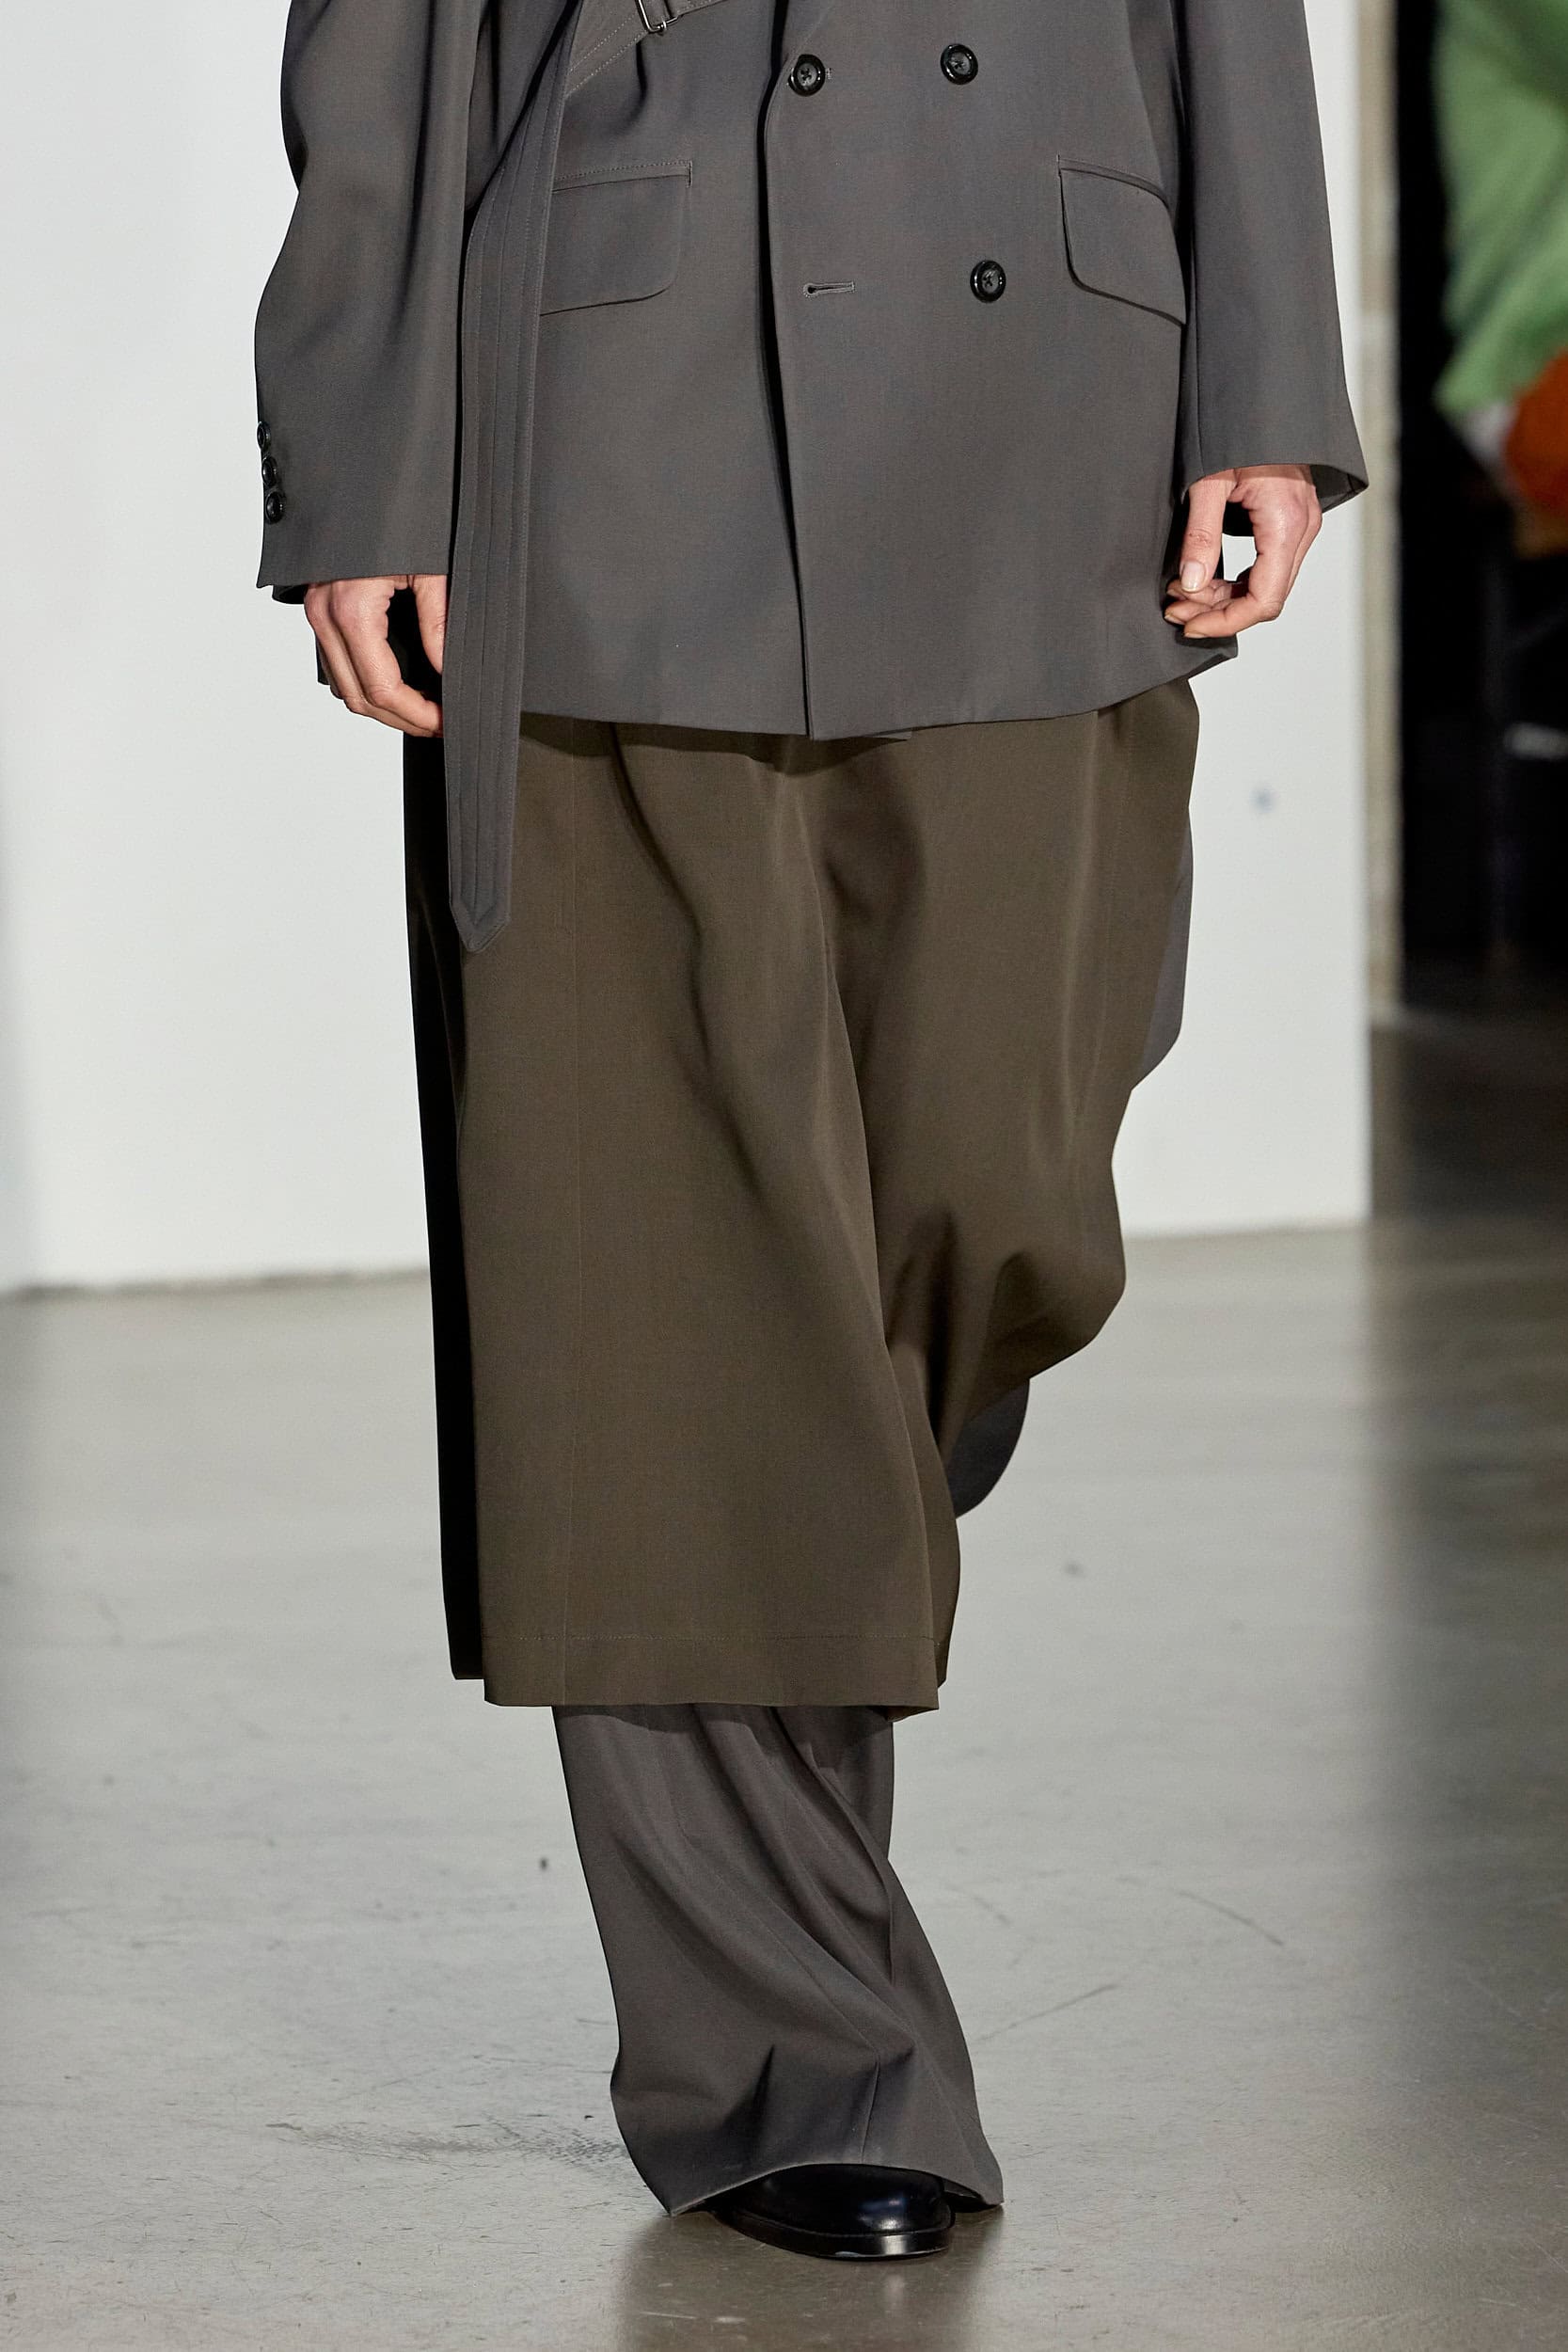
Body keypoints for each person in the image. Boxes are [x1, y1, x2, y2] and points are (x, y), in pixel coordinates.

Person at [255, 0, 1366, 2263]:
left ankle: (819, 1479)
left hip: (1047, 389)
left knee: (1003, 1184)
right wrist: (365, 451)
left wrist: (1266, 370)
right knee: (659, 1303)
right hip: (606, 399)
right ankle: (799, 2062)